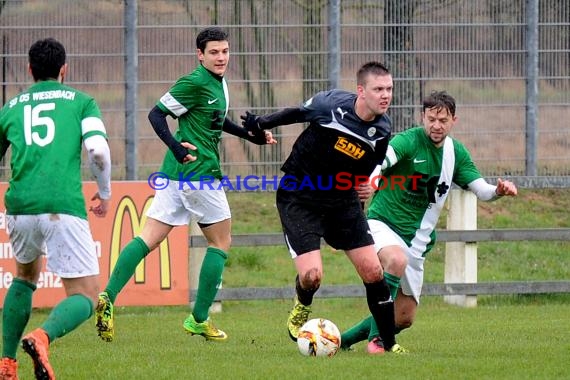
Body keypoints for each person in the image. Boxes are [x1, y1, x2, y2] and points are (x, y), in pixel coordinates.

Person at [95, 26, 275, 343]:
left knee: (148, 237)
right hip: (198, 173)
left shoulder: (217, 83)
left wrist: (252, 136)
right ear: (200, 55)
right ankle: (199, 319)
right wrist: (176, 147)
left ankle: (107, 296)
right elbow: (155, 115)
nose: (221, 58)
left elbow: (216, 121)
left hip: (175, 175)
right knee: (221, 242)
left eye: (225, 51)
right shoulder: (194, 82)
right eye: (214, 53)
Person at [241, 61, 406, 354]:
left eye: (389, 89)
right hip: (299, 196)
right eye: (378, 89)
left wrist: (366, 185)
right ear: (361, 91)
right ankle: (302, 304)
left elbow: (372, 165)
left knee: (373, 271)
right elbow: (295, 114)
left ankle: (389, 345)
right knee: (312, 276)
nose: (385, 95)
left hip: (342, 201)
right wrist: (261, 123)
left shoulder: (382, 129)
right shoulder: (330, 105)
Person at [341, 90, 518, 354]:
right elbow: (382, 161)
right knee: (395, 259)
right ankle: (379, 341)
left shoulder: (455, 153)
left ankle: (342, 341)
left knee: (404, 317)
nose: (436, 125)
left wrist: (498, 191)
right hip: (383, 223)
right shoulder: (407, 141)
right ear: (423, 116)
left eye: (443, 120)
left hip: (418, 240)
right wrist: (371, 181)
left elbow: (480, 189)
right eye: (431, 118)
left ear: (453, 121)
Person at [0, 38, 112, 380]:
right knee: (87, 295)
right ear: (64, 69)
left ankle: (6, 364)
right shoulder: (81, 102)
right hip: (61, 205)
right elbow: (98, 151)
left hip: (19, 205)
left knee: (24, 277)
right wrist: (104, 191)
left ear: (30, 70)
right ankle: (41, 337)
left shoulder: (11, 107)